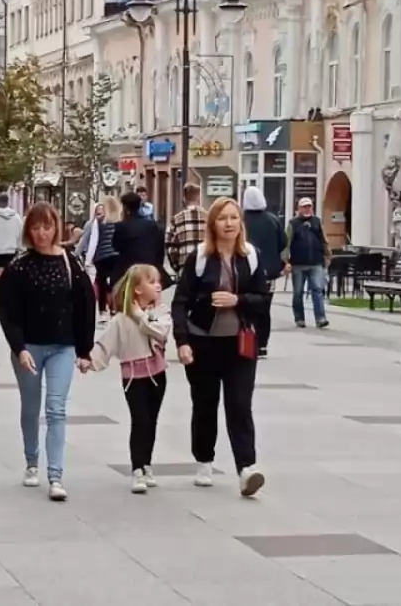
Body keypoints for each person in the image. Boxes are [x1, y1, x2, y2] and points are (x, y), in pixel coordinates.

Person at [0, 203, 95, 502]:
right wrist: (18, 347)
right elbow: (6, 308)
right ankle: (30, 460)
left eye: (47, 226)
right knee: (30, 406)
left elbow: (86, 304)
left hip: (62, 346)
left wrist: (84, 349)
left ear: (56, 227)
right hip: (29, 348)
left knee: (56, 408)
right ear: (28, 230)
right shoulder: (20, 266)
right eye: (36, 227)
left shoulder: (70, 262)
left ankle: (56, 474)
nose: (41, 233)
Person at [172, 197, 267, 497]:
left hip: (240, 344)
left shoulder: (251, 256)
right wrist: (182, 341)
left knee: (239, 405)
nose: (229, 223)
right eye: (223, 218)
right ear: (212, 224)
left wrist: (238, 300)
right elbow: (180, 301)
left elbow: (263, 299)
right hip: (204, 342)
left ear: (241, 223)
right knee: (205, 404)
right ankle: (204, 460)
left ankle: (246, 468)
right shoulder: (199, 258)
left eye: (234, 218)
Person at [85, 263, 170, 494]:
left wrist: (141, 315)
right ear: (137, 289)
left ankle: (147, 463)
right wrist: (88, 361)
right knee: (139, 420)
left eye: (158, 281)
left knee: (151, 421)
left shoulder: (160, 312)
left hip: (158, 375)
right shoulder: (120, 320)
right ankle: (137, 469)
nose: (158, 286)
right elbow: (105, 345)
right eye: (152, 282)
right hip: (133, 377)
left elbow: (161, 332)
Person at [241, 187, 287, 358]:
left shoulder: (241, 220)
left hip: (247, 270)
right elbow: (283, 242)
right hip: (269, 272)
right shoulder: (273, 220)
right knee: (264, 308)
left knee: (246, 307)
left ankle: (247, 340)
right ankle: (262, 344)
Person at [286, 197, 330, 328]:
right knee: (298, 292)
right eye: (304, 207)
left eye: (309, 206)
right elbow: (286, 242)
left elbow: (323, 239)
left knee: (317, 290)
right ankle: (299, 318)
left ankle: (320, 318)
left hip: (316, 262)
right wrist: (286, 261)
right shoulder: (293, 223)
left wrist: (327, 255)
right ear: (299, 209)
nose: (307, 209)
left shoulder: (317, 222)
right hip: (298, 263)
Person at [111, 192, 166, 286]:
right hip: (150, 270)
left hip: (129, 272)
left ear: (126, 209)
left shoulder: (121, 226)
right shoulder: (152, 225)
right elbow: (159, 248)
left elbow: (116, 246)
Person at [78, 197, 120, 319]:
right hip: (114, 255)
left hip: (101, 256)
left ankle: (102, 309)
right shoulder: (118, 222)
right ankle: (113, 307)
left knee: (101, 282)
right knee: (114, 282)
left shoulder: (98, 222)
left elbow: (92, 241)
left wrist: (87, 258)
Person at [167, 183, 207, 277]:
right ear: (199, 198)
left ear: (184, 198)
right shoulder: (209, 217)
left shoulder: (176, 219)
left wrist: (177, 267)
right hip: (206, 267)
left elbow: (171, 248)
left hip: (185, 268)